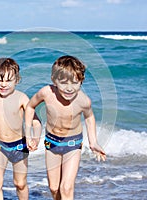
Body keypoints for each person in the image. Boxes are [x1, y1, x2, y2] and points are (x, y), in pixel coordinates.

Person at [25, 55, 106, 200]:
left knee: (66, 188)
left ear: (81, 81)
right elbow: (30, 107)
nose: (69, 88)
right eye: (63, 83)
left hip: (73, 145)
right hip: (52, 143)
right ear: (54, 80)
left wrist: (93, 142)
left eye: (75, 83)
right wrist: (30, 135)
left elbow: (89, 117)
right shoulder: (46, 93)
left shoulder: (83, 101)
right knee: (54, 188)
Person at [0, 58, 41, 200]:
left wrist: (35, 138)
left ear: (17, 80)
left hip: (20, 145)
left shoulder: (22, 98)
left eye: (8, 81)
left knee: (20, 183)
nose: (3, 85)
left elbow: (36, 122)